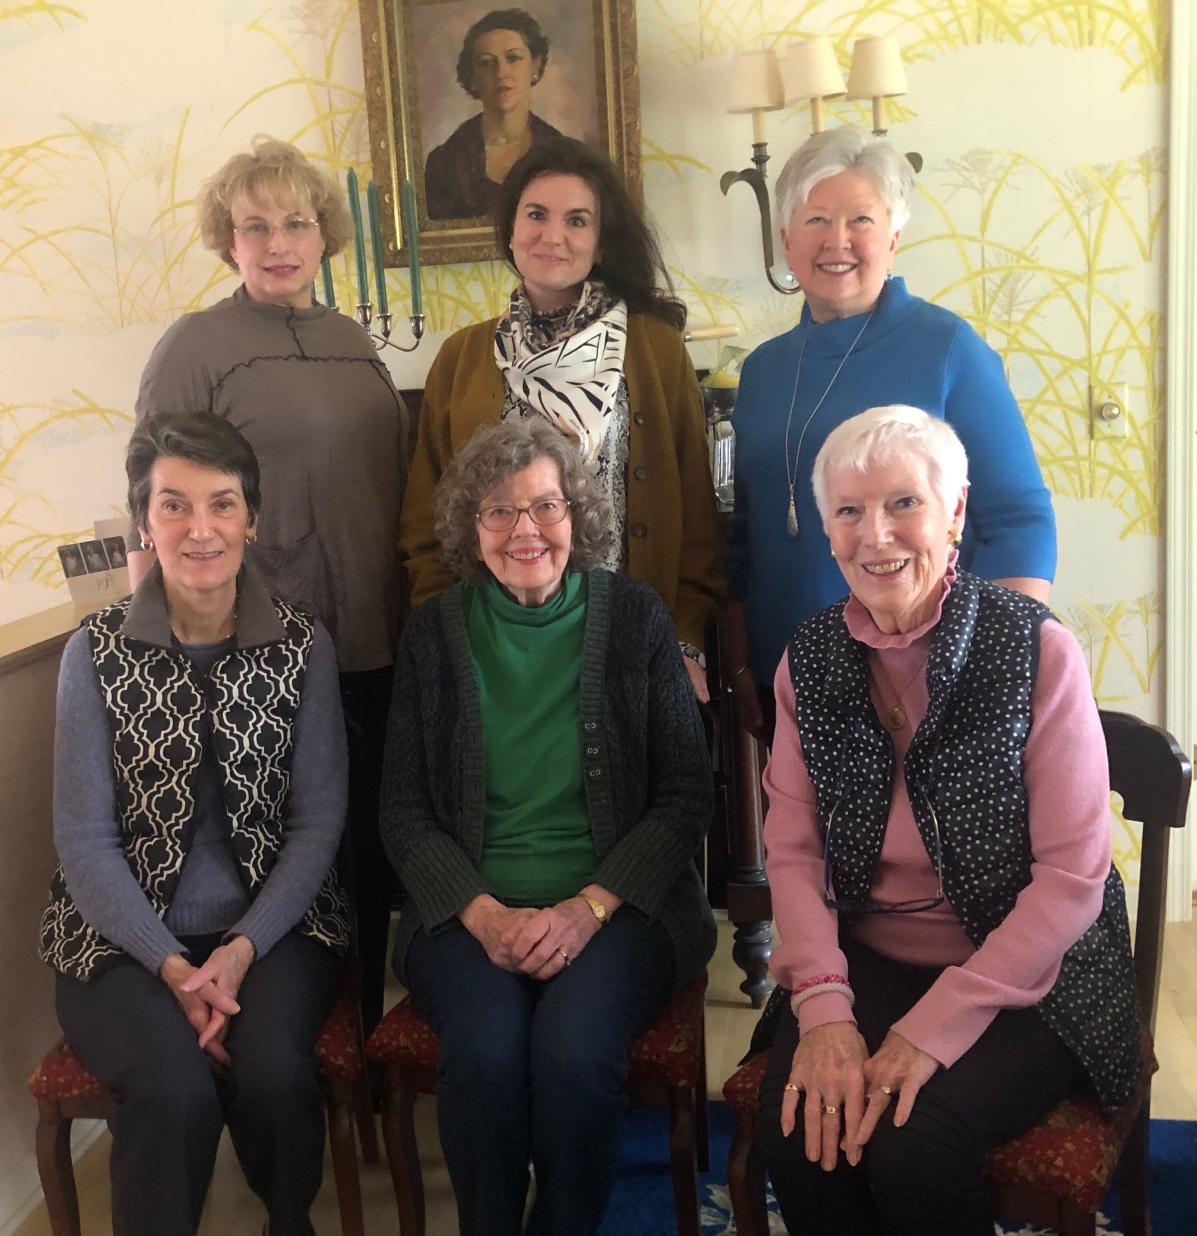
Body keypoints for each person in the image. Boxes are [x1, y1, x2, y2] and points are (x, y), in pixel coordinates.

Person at [754, 406, 1140, 1236]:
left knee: (912, 1137)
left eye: (904, 504)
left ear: (956, 511)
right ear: (826, 532)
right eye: (850, 511)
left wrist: (929, 1033)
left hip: (1035, 973)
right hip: (875, 950)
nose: (876, 535)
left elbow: (1073, 882)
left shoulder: (1034, 650)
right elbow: (791, 851)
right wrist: (823, 1013)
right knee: (801, 1124)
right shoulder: (809, 660)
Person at [381, 419, 717, 1236]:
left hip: (620, 910)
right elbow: (403, 810)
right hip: (469, 915)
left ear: (580, 516)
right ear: (471, 529)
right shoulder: (434, 634)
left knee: (573, 1058)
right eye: (499, 512)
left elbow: (684, 795)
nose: (525, 531)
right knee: (487, 1057)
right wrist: (484, 914)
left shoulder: (635, 617)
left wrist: (587, 908)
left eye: (545, 507)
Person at [41, 412, 350, 1236]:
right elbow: (84, 840)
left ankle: (291, 1222)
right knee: (172, 1088)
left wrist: (238, 955)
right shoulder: (94, 652)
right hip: (118, 942)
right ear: (145, 519)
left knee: (278, 1075)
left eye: (221, 503)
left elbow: (317, 824)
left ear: (252, 516)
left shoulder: (299, 647)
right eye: (173, 505)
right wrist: (177, 970)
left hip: (275, 931)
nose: (200, 528)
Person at [130, 137, 408, 1036]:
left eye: (296, 222)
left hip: (376, 639)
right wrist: (158, 642)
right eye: (257, 226)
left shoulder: (350, 338)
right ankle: (277, 1049)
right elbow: (153, 496)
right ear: (229, 240)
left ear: (324, 234)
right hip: (262, 652)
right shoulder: (197, 348)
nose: (279, 241)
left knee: (371, 846)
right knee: (289, 852)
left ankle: (358, 1042)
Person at [723, 125, 1057, 743]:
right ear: (785, 238)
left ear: (895, 238)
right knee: (800, 841)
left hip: (924, 680)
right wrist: (740, 659)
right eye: (817, 219)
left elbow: (1020, 520)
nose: (838, 241)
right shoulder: (763, 369)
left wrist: (991, 666)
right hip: (791, 678)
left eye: (861, 221)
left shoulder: (948, 348)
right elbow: (745, 535)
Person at [402, 135, 724, 701]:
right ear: (510, 229)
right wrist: (448, 637)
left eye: (577, 220)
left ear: (600, 243)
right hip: (497, 651)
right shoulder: (461, 357)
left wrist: (685, 642)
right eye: (536, 215)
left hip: (634, 649)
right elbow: (425, 522)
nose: (553, 235)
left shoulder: (655, 349)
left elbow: (696, 517)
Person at [424, 7, 562, 219]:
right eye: (487, 62)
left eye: (513, 58)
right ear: (472, 77)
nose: (501, 73)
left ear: (535, 65)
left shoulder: (561, 155)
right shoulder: (445, 163)